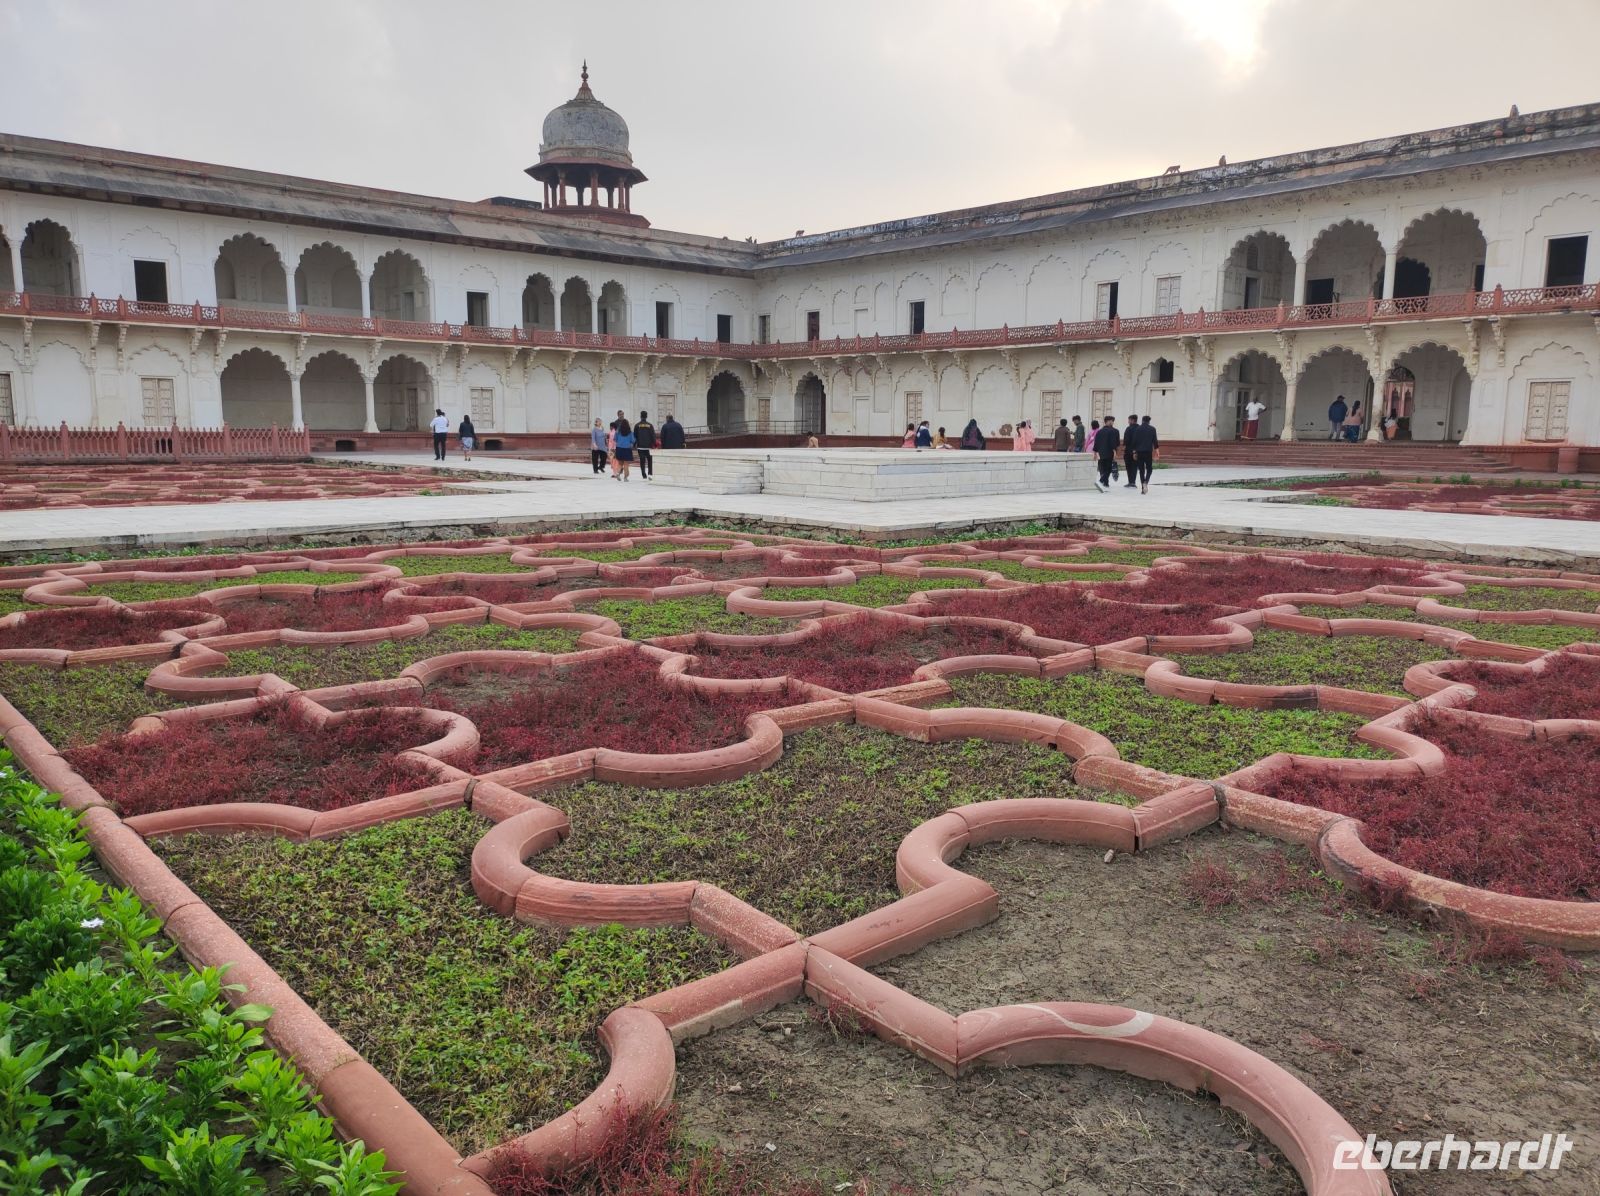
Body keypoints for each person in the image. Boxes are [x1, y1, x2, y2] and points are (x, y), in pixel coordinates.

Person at [1130, 414, 1160, 494]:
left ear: (1142, 420)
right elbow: (1155, 441)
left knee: (1141, 470)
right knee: (1149, 469)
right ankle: (1146, 482)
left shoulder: (1137, 429)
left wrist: (1134, 452)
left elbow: (1134, 441)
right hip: (1148, 452)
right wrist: (1157, 451)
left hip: (1139, 452)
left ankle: (1143, 488)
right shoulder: (1152, 429)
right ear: (1149, 421)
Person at [1091, 415, 1120, 492]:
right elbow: (1115, 443)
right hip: (1109, 452)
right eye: (1111, 421)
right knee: (1109, 468)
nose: (1112, 422)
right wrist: (1115, 452)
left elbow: (1096, 443)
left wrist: (1095, 452)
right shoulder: (1114, 431)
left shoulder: (1099, 431)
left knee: (1103, 468)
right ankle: (1101, 481)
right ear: (1108, 421)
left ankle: (1106, 483)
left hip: (1101, 452)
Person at [634, 410, 656, 481]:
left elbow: (635, 436)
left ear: (640, 416)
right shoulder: (650, 425)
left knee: (642, 460)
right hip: (648, 446)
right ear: (646, 416)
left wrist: (634, 444)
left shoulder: (637, 425)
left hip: (640, 447)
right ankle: (650, 474)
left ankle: (643, 474)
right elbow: (653, 436)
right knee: (650, 460)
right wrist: (654, 444)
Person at [613, 415, 635, 481]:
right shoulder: (630, 432)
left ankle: (617, 473)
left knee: (620, 463)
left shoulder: (618, 432)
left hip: (619, 448)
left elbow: (615, 439)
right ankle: (625, 477)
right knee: (626, 464)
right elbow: (633, 440)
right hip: (627, 449)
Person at [1121, 412, 1140, 487]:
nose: (1128, 422)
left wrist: (1124, 446)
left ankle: (1130, 482)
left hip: (1129, 451)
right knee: (1135, 466)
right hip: (1138, 451)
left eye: (1129, 420)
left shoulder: (1129, 429)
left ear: (1132, 420)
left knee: (1128, 466)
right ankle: (1133, 482)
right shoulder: (1140, 428)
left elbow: (1126, 440)